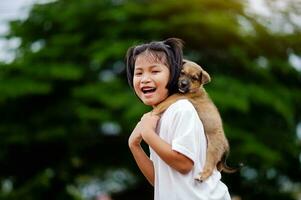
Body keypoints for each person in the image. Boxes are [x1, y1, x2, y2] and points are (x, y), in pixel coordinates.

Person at [125, 38, 231, 200]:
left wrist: (148, 134)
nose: (145, 78)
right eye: (139, 73)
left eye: (155, 71)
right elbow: (159, 180)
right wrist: (134, 146)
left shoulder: (181, 109)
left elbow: (183, 164)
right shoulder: (160, 116)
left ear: (174, 75)